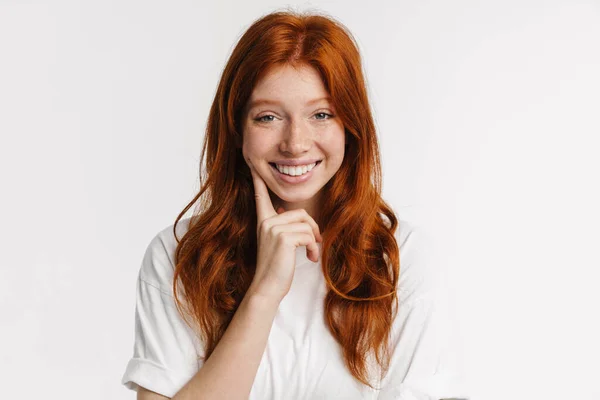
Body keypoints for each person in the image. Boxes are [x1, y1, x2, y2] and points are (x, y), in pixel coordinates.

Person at [121, 8, 469, 400]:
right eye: (268, 117)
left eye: (321, 114)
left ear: (350, 127)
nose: (295, 143)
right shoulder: (178, 255)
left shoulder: (402, 256)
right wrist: (264, 292)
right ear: (237, 129)